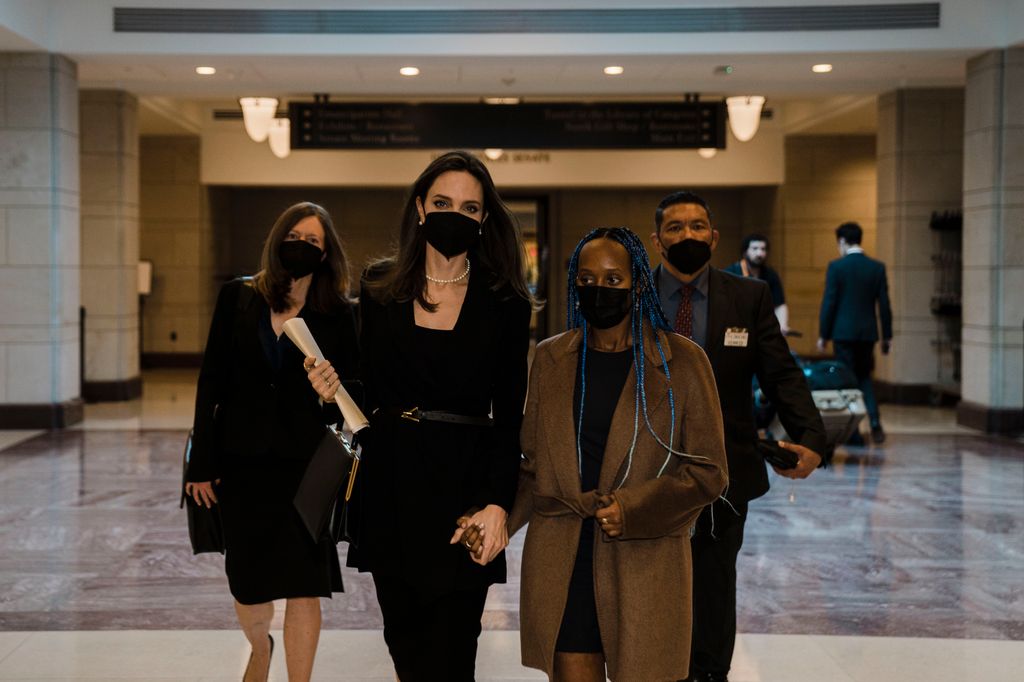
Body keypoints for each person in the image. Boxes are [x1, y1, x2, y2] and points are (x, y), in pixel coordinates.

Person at [307, 151, 535, 681]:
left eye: (469, 206)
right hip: (392, 485)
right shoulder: (381, 286)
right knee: (406, 649)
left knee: (455, 651)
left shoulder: (504, 301)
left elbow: (509, 415)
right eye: (442, 202)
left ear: (483, 218)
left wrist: (500, 503)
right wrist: (331, 390)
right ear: (419, 207)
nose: (455, 214)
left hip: (467, 492)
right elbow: (366, 389)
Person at [473, 226, 727, 682]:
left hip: (644, 558)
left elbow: (709, 472)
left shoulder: (683, 363)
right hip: (563, 558)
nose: (599, 290)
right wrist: (496, 524)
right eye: (586, 280)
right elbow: (531, 469)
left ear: (638, 284)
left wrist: (634, 508)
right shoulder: (551, 359)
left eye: (613, 280)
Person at [648, 191, 827, 682]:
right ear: (657, 239)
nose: (688, 235)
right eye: (676, 227)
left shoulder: (749, 297)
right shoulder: (632, 295)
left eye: (698, 226)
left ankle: (708, 674)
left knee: (713, 581)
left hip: (725, 470)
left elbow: (782, 374)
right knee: (648, 583)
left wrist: (811, 436)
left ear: (715, 236)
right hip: (644, 470)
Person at [185, 202, 359, 682]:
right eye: (294, 237)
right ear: (277, 240)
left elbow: (351, 396)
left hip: (308, 467)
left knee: (306, 584)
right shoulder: (238, 298)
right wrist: (201, 462)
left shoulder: (339, 315)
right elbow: (211, 381)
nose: (301, 246)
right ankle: (259, 646)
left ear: (326, 255)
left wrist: (332, 388)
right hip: (242, 464)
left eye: (313, 242)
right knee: (248, 583)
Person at [817, 221, 893, 444]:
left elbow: (829, 303)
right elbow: (885, 305)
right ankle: (876, 422)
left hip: (843, 334)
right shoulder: (876, 267)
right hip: (867, 334)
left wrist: (824, 334)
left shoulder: (837, 267)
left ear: (841, 241)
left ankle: (854, 431)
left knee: (847, 379)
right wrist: (886, 336)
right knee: (864, 377)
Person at [723, 234, 790, 334]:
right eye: (755, 249)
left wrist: (782, 324)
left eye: (763, 249)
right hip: (735, 329)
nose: (759, 253)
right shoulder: (731, 273)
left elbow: (779, 304)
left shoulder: (770, 274)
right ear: (745, 252)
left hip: (761, 327)